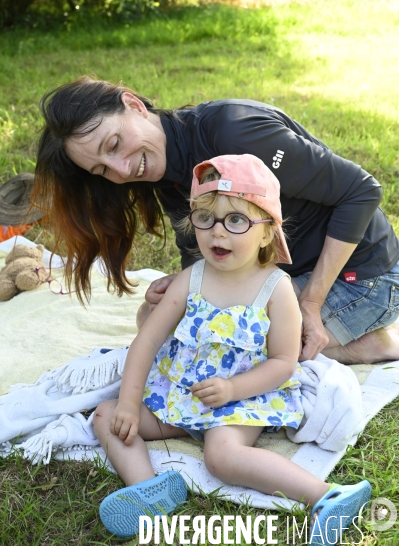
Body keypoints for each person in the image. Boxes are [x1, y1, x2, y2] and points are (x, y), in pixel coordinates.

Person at [93, 154, 371, 542]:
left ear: (267, 231)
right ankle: (149, 489)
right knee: (107, 416)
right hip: (181, 392)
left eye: (236, 220)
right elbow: (149, 339)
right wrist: (128, 401)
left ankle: (326, 498)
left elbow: (283, 363)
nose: (216, 233)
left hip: (241, 398)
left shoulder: (275, 289)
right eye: (205, 218)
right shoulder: (193, 277)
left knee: (221, 457)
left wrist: (232, 390)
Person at [32, 77, 399, 364]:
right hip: (286, 276)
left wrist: (312, 304)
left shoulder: (233, 130)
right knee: (159, 322)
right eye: (102, 170)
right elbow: (202, 251)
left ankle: (366, 344)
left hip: (364, 277)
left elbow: (361, 191)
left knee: (225, 354)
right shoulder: (166, 174)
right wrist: (181, 284)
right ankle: (338, 333)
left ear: (133, 104)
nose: (122, 170)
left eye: (113, 145)